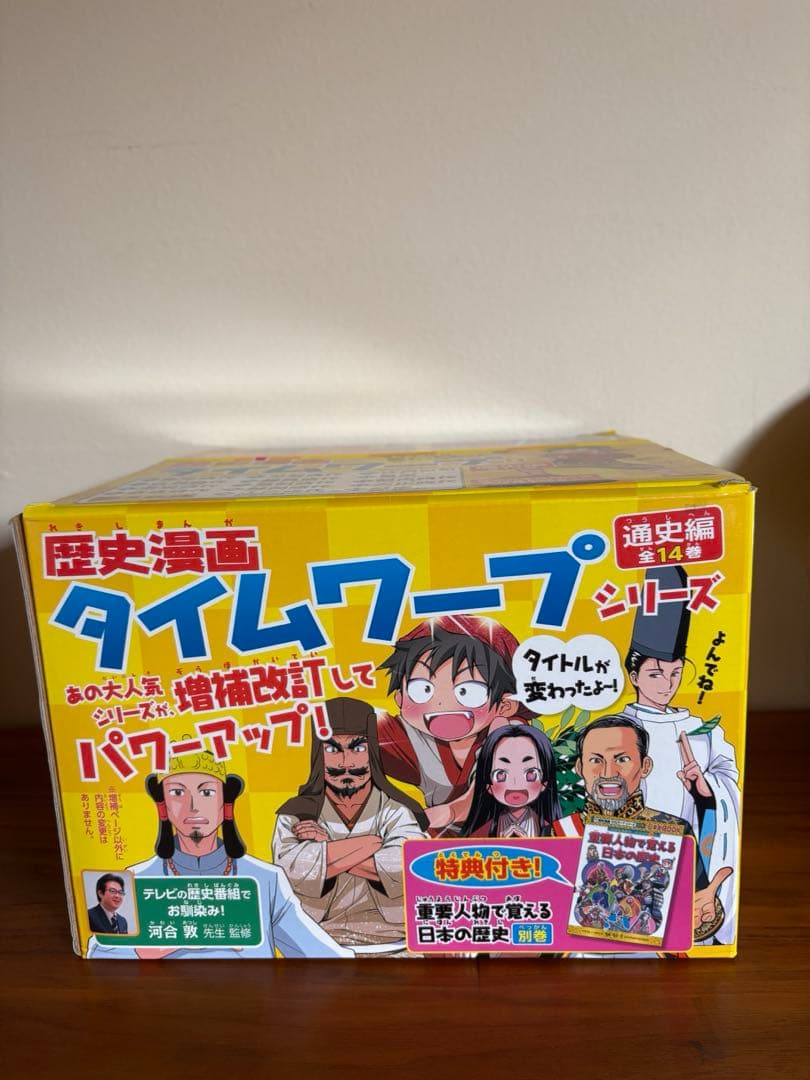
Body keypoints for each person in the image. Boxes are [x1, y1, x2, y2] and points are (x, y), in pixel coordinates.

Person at [89, 746, 350, 959]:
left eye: (206, 792)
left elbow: (318, 953)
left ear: (225, 802)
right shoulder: (135, 880)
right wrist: (148, 949)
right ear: (163, 805)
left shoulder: (265, 879)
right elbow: (98, 951)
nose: (193, 806)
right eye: (178, 792)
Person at [620, 565, 741, 945]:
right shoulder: (614, 730)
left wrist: (706, 789)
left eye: (675, 674)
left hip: (691, 855)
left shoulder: (704, 731)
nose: (667, 685)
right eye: (656, 674)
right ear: (634, 676)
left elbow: (729, 783)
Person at [551, 715, 732, 944]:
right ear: (580, 767)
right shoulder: (557, 834)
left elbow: (697, 924)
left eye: (622, 759)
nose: (608, 772)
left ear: (645, 766)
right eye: (596, 760)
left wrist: (704, 911)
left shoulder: (674, 830)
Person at [273, 697, 427, 954]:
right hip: (318, 949)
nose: (346, 763)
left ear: (373, 750)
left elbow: (407, 868)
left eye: (358, 748)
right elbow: (292, 874)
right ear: (317, 753)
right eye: (332, 749)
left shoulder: (398, 811)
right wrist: (370, 845)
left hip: (397, 947)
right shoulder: (295, 814)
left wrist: (327, 848)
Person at [377, 614, 525, 832]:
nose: (441, 703)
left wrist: (452, 811)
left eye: (468, 691)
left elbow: (489, 791)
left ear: (505, 704)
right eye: (422, 689)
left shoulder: (512, 734)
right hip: (436, 844)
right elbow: (353, 727)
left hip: (507, 841)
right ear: (400, 698)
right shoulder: (408, 735)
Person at [461, 722, 561, 838]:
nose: (515, 783)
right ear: (488, 785)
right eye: (501, 774)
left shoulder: (557, 833)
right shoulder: (479, 836)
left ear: (544, 782)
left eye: (530, 774)